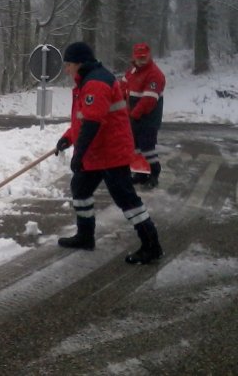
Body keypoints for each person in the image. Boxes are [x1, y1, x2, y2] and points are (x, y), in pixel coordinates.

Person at [55, 41, 163, 264]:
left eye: (68, 65)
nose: (66, 69)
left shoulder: (96, 83)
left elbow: (93, 122)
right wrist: (68, 138)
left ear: (79, 63)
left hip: (111, 153)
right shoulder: (86, 81)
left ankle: (151, 245)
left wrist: (78, 154)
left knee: (126, 198)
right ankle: (85, 236)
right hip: (97, 153)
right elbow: (82, 121)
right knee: (80, 188)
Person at [120, 42, 166, 189]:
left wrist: (134, 114)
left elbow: (149, 100)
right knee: (135, 147)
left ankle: (154, 173)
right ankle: (140, 173)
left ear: (148, 56)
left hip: (148, 118)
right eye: (138, 57)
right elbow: (122, 87)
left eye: (143, 57)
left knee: (147, 148)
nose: (141, 60)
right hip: (134, 116)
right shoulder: (133, 71)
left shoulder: (155, 74)